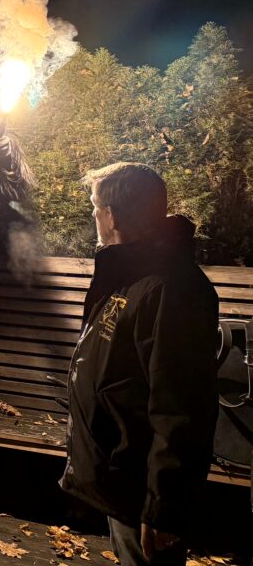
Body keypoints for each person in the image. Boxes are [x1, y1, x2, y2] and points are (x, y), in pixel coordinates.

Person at [60, 162, 218, 565]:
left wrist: (162, 507)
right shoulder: (129, 274)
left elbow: (182, 405)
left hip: (142, 483)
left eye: (96, 207)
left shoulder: (171, 287)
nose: (94, 215)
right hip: (121, 474)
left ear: (111, 214)